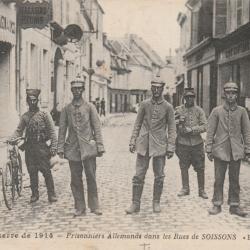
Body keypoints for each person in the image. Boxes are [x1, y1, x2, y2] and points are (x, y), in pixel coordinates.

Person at [125, 77, 176, 214]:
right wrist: (132, 140)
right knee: (138, 175)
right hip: (143, 144)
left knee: (159, 175)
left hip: (159, 145)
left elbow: (172, 129)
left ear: (163, 88)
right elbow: (137, 124)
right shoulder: (144, 104)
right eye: (153, 87)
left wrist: (171, 147)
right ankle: (135, 204)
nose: (156, 90)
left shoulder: (168, 107)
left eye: (158, 87)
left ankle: (156, 202)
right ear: (151, 88)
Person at [57, 77, 105, 217]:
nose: (77, 91)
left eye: (79, 89)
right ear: (71, 91)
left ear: (83, 90)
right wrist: (60, 148)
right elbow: (62, 129)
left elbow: (97, 127)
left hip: (88, 148)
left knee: (91, 176)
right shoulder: (66, 109)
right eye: (74, 89)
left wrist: (100, 146)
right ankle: (79, 207)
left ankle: (94, 206)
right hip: (72, 148)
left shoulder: (90, 107)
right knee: (75, 179)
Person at [206, 82, 250, 217]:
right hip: (220, 150)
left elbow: (246, 131)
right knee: (218, 179)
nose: (231, 96)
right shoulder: (216, 111)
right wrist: (209, 148)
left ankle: (234, 205)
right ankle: (217, 203)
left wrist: (247, 148)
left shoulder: (242, 111)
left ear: (237, 95)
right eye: (228, 93)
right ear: (224, 94)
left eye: (234, 93)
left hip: (236, 151)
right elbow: (210, 131)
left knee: (234, 179)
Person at [12, 89, 57, 203]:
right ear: (27, 101)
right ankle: (34, 194)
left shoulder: (44, 115)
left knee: (46, 171)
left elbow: (52, 132)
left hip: (42, 147)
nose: (32, 102)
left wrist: (53, 147)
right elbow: (19, 130)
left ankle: (51, 194)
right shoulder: (25, 117)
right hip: (29, 148)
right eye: (30, 100)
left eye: (34, 100)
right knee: (32, 171)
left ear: (38, 100)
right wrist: (11, 138)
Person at [175, 87, 208, 199]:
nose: (189, 99)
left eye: (192, 97)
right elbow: (172, 123)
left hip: (196, 144)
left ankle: (201, 190)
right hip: (182, 143)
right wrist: (179, 124)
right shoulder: (179, 110)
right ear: (184, 98)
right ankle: (185, 188)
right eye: (187, 97)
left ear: (194, 98)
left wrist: (193, 129)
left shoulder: (199, 111)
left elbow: (205, 126)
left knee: (200, 167)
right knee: (183, 166)